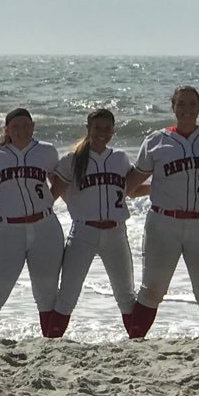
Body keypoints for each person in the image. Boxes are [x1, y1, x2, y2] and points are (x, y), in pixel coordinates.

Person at [123, 86, 199, 337]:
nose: (187, 109)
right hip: (164, 223)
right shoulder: (156, 140)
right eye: (181, 104)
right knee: (152, 289)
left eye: (192, 104)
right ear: (173, 107)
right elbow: (131, 185)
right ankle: (135, 340)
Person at [0, 108, 64, 342]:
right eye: (15, 126)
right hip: (9, 230)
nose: (21, 130)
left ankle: (51, 343)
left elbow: (58, 182)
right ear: (7, 130)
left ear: (33, 126)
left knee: (46, 293)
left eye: (26, 125)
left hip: (45, 227)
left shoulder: (46, 151)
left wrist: (47, 200)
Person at [51, 109, 145, 338]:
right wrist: (75, 204)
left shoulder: (119, 158)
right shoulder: (72, 160)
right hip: (83, 232)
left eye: (107, 128)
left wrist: (160, 187)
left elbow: (130, 191)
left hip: (115, 233)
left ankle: (136, 342)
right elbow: (54, 191)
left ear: (113, 130)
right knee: (67, 295)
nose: (102, 133)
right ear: (88, 129)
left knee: (125, 295)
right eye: (97, 128)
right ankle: (52, 341)